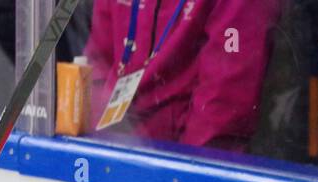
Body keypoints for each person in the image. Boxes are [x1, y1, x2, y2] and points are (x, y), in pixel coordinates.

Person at [84, 0, 282, 153]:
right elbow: (97, 62)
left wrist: (179, 179)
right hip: (111, 158)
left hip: (177, 172)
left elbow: (221, 107)